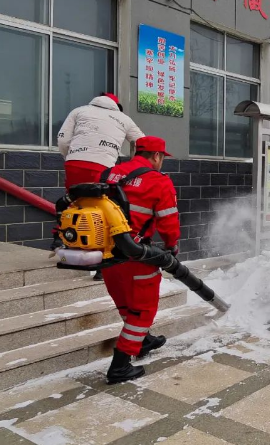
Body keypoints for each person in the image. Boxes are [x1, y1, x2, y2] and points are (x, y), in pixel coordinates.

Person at [101, 136, 180, 384]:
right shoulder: (159, 182)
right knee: (143, 311)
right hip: (137, 257)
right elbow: (168, 222)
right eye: (162, 158)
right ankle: (120, 367)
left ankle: (143, 341)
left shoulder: (109, 174)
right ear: (156, 156)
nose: (161, 162)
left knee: (127, 306)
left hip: (106, 257)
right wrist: (170, 248)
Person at [55, 93, 145, 281]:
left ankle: (62, 240)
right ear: (116, 106)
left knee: (73, 203)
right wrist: (132, 164)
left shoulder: (79, 111)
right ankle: (102, 265)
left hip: (74, 163)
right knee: (103, 210)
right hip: (103, 167)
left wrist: (70, 157)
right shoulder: (123, 118)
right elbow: (142, 143)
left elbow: (62, 139)